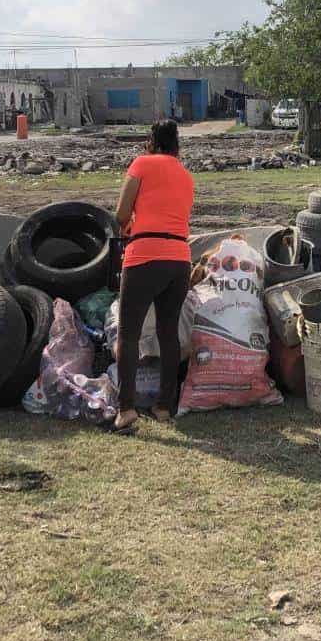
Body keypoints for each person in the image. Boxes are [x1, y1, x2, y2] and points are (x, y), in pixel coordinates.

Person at [113, 119, 194, 433]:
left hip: (144, 255)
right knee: (168, 332)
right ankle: (163, 405)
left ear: (151, 140)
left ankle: (126, 409)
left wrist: (129, 225)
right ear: (176, 144)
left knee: (129, 333)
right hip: (179, 259)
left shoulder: (141, 164)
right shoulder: (186, 175)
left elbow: (121, 214)